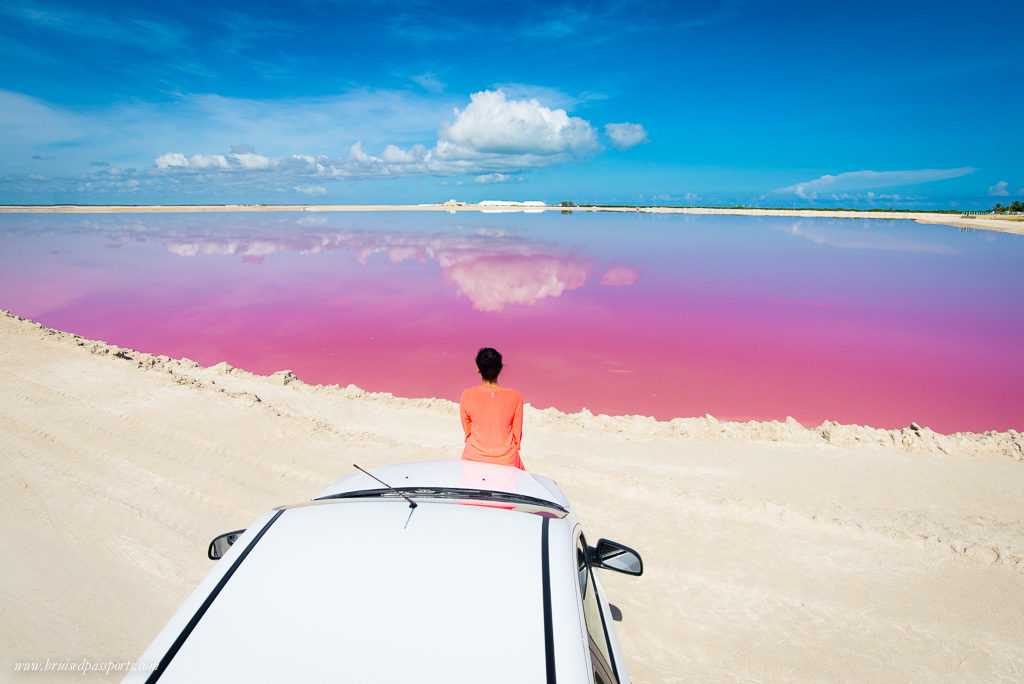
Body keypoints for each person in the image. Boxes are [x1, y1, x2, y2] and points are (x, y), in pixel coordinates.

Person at [459, 347, 525, 470]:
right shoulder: (515, 396)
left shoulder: (467, 394)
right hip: (506, 460)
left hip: (474, 458)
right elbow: (517, 436)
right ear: (500, 368)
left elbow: (467, 431)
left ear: (478, 369)